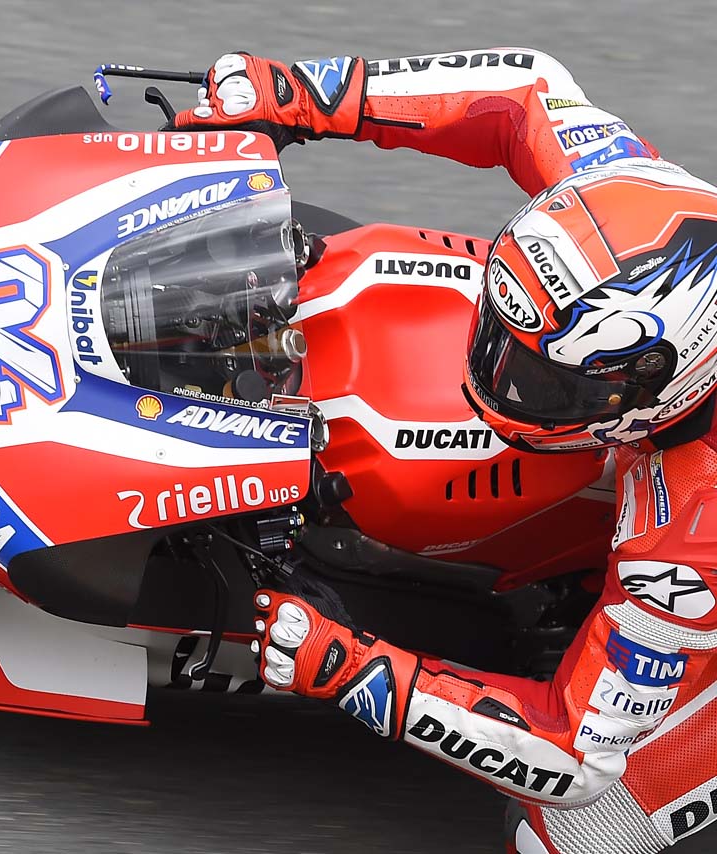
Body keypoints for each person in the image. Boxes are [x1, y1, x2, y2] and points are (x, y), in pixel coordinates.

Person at [172, 49, 717, 853]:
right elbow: (523, 90)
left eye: (547, 382)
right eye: (504, 343)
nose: (500, 378)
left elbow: (574, 756)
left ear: (659, 379)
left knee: (572, 833)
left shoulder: (689, 544)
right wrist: (305, 94)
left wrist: (361, 672)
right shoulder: (628, 196)